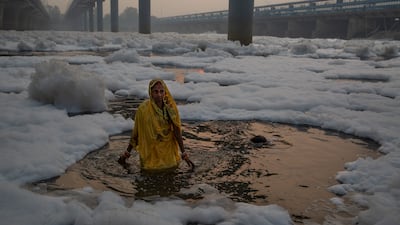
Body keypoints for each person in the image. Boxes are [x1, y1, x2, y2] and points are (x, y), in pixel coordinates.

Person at [118, 79, 190, 171]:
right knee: (149, 172)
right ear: (150, 93)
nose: (159, 95)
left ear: (165, 92)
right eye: (155, 91)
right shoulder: (143, 109)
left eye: (161, 91)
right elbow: (136, 133)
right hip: (150, 153)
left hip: (167, 152)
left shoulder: (170, 108)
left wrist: (184, 153)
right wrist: (126, 153)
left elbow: (177, 131)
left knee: (170, 173)